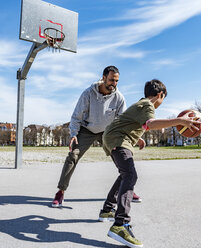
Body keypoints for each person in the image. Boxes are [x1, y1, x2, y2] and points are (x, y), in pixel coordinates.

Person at [98, 79, 201, 248]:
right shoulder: (148, 105)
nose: (161, 103)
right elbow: (151, 124)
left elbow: (129, 122)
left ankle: (107, 210)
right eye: (163, 99)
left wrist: (137, 138)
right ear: (160, 95)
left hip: (113, 137)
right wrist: (179, 121)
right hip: (117, 139)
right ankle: (120, 224)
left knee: (125, 174)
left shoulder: (141, 104)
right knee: (130, 175)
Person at [52, 65, 143, 207]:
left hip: (108, 131)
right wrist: (73, 134)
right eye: (112, 80)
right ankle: (61, 191)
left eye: (117, 81)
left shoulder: (119, 98)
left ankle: (128, 188)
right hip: (87, 129)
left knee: (122, 157)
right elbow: (76, 116)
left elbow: (123, 121)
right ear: (103, 78)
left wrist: (134, 135)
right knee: (73, 155)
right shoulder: (88, 93)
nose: (114, 84)